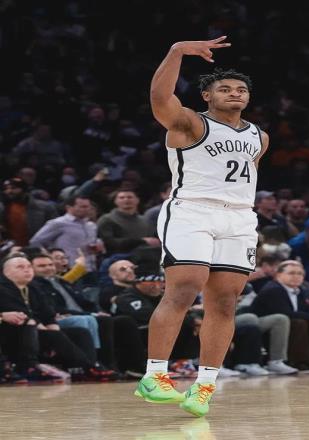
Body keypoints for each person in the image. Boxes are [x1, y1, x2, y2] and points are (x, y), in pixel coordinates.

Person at [134, 36, 269, 417]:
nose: (235, 93)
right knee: (185, 287)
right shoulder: (189, 122)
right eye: (225, 89)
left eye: (241, 90)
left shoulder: (259, 136)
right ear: (207, 96)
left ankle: (204, 385)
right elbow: (159, 97)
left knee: (225, 301)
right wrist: (176, 51)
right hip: (192, 210)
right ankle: (154, 375)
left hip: (239, 216)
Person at [30, 195, 105, 272]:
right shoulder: (58, 223)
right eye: (83, 207)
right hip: (69, 269)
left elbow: (95, 245)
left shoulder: (91, 226)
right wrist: (49, 257)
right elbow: (35, 241)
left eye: (88, 207)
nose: (87, 209)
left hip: (91, 268)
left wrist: (98, 246)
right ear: (69, 208)